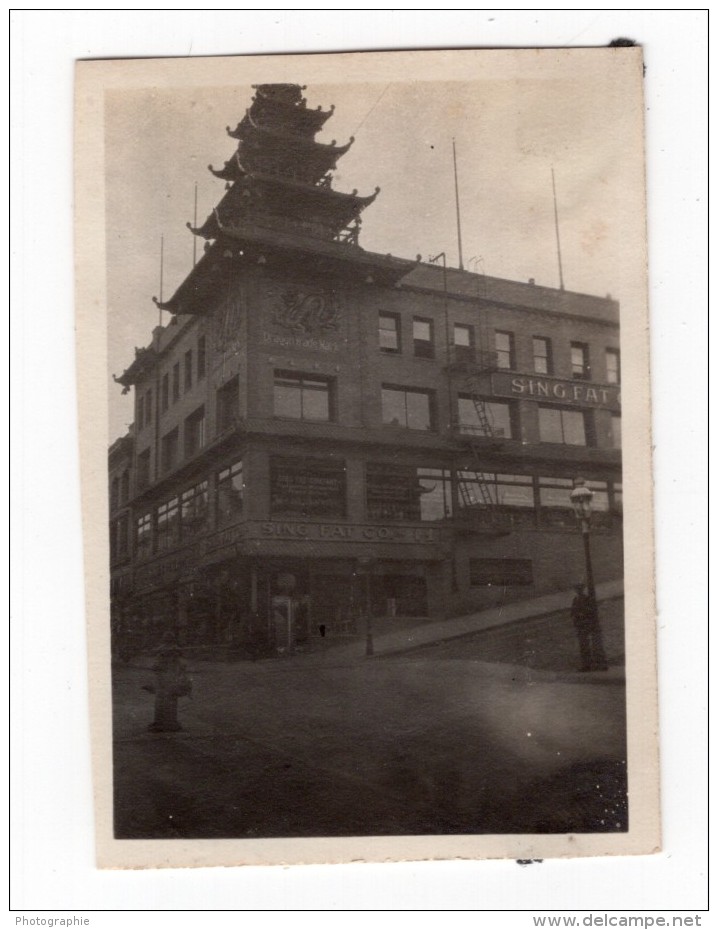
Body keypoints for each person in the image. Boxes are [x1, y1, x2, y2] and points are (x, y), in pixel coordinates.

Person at [144, 633, 191, 732]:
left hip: (162, 681)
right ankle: (171, 723)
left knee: (160, 702)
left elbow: (156, 666)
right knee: (172, 702)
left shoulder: (161, 652)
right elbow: (182, 666)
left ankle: (160, 723)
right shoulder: (177, 652)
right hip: (172, 680)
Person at [570, 584, 608, 672]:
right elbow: (572, 612)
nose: (578, 591)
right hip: (581, 626)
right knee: (583, 646)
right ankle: (586, 665)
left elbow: (591, 611)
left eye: (579, 589)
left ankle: (600, 664)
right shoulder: (575, 600)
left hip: (588, 624)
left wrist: (583, 614)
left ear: (582, 590)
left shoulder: (587, 599)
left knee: (593, 644)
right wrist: (576, 617)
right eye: (577, 590)